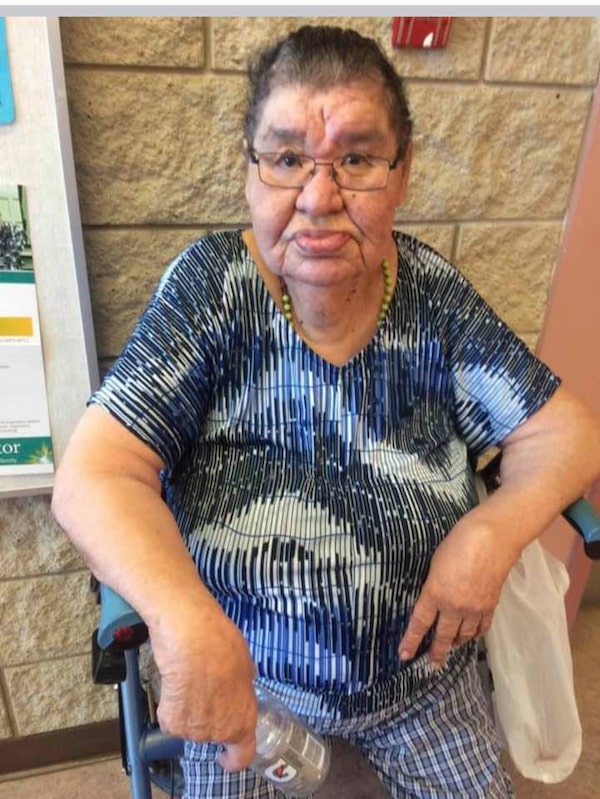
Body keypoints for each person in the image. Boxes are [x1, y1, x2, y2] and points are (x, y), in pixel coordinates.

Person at [52, 25, 600, 799]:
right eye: (286, 160)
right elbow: (95, 475)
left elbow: (565, 430)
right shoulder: (213, 289)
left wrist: (493, 530)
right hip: (247, 680)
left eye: (356, 159)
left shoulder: (432, 293)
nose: (317, 198)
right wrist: (183, 624)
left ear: (402, 171)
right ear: (250, 172)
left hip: (422, 679)